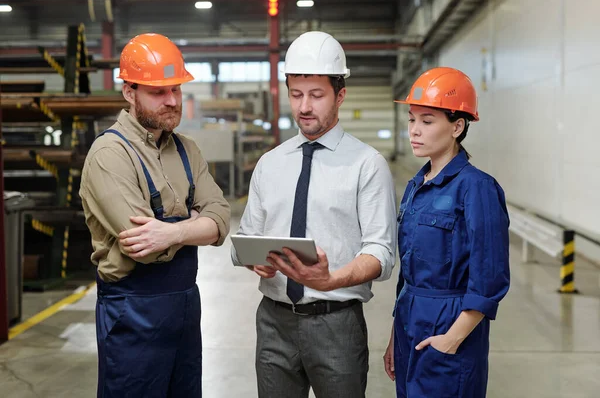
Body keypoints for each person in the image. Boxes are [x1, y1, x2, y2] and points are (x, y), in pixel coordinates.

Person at [230, 30, 397, 398]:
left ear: (340, 95)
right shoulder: (270, 163)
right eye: (296, 94)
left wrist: (330, 280)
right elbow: (243, 241)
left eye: (316, 95)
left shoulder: (366, 165)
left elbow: (381, 254)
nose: (304, 106)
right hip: (273, 321)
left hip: (336, 325)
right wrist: (255, 260)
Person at [79, 33, 230, 398]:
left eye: (176, 89)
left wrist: (173, 232)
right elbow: (145, 247)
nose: (173, 101)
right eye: (158, 92)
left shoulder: (186, 149)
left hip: (184, 309)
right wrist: (195, 222)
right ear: (129, 92)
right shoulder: (109, 154)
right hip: (132, 315)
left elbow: (222, 218)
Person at [383, 67, 510, 397]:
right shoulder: (416, 185)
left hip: (450, 323)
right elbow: (408, 271)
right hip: (410, 319)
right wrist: (396, 334)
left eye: (427, 121)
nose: (414, 130)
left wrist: (450, 340)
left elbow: (490, 278)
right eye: (412, 119)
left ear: (457, 126)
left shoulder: (477, 188)